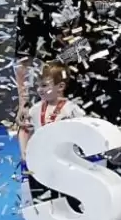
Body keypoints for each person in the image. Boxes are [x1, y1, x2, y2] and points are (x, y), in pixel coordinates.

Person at [19, 61, 87, 210]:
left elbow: (83, 132)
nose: (40, 90)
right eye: (38, 86)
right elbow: (24, 130)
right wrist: (24, 151)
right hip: (40, 162)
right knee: (41, 199)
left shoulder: (72, 110)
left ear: (60, 87)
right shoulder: (35, 109)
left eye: (44, 85)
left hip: (66, 162)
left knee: (70, 197)